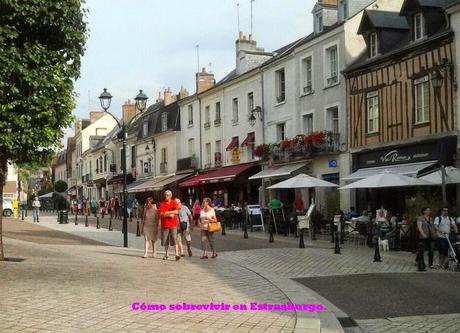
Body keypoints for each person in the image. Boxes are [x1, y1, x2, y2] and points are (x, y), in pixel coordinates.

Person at [159, 190, 180, 261]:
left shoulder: (174, 202)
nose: (166, 196)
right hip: (165, 224)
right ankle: (166, 254)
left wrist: (168, 212)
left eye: (167, 195)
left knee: (174, 239)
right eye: (165, 195)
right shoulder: (162, 204)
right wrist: (169, 214)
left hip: (173, 224)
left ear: (171, 196)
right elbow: (161, 214)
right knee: (165, 240)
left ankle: (177, 254)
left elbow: (176, 211)